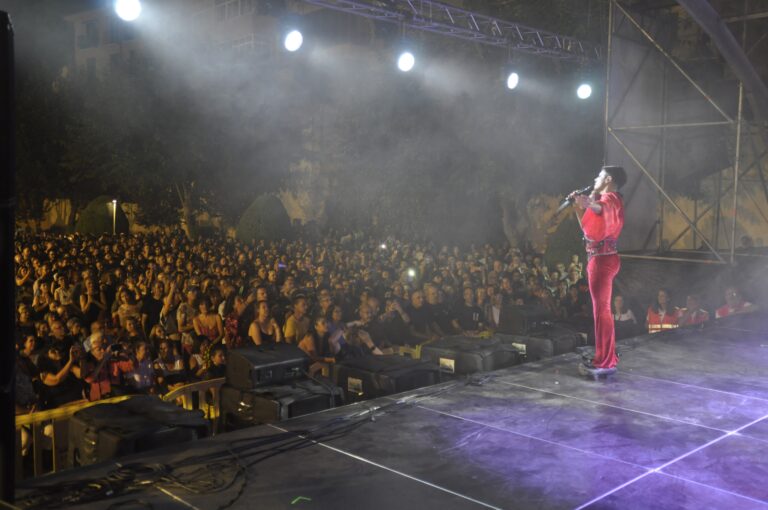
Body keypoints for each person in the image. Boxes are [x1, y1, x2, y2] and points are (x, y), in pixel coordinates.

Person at [572, 165, 626, 377]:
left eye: (600, 175)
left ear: (609, 179)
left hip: (602, 261)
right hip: (605, 258)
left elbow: (600, 208)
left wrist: (589, 202)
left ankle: (604, 361)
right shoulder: (613, 200)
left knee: (601, 311)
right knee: (602, 311)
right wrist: (580, 206)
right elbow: (588, 230)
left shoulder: (610, 199)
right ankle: (607, 355)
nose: (596, 177)